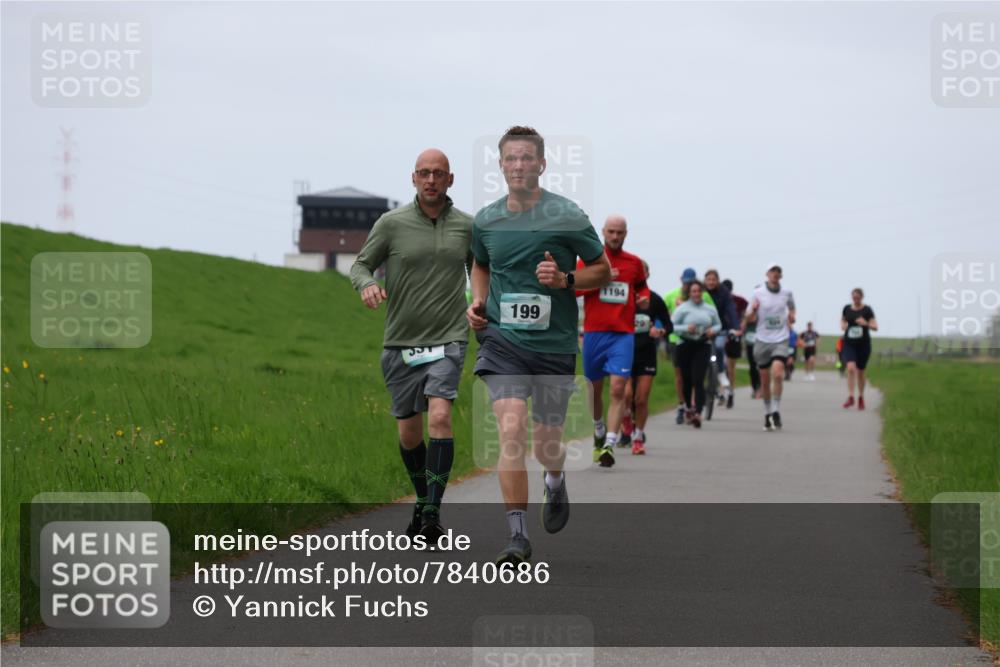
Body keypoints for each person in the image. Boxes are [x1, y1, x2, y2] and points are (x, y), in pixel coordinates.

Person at [467, 126, 611, 564]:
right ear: (500, 165)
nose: (518, 165)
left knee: (547, 442)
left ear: (542, 164)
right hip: (502, 342)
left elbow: (602, 271)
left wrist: (567, 279)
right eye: (510, 158)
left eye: (527, 158)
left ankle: (554, 479)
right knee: (510, 429)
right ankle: (517, 536)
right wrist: (476, 301)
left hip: (553, 345)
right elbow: (481, 265)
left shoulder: (567, 216)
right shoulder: (486, 220)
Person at [350, 149, 472, 545]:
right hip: (401, 341)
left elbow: (482, 270)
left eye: (438, 173)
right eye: (424, 173)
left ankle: (433, 512)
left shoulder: (468, 227)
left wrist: (482, 304)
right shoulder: (391, 223)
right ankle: (422, 500)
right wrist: (366, 284)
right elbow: (360, 264)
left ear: (450, 179)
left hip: (449, 338)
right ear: (413, 178)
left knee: (439, 417)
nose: (431, 180)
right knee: (409, 434)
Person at [578, 216, 650, 466]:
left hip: (622, 334)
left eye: (620, 232)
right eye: (611, 232)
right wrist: (600, 279)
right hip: (594, 333)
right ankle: (598, 428)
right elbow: (573, 288)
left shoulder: (634, 263)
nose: (615, 236)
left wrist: (644, 298)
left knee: (619, 388)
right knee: (594, 390)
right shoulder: (589, 261)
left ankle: (609, 443)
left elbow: (642, 287)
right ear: (603, 232)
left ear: (626, 233)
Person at [740, 263, 796, 431]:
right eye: (772, 271)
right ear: (767, 274)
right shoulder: (757, 293)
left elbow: (792, 307)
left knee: (778, 373)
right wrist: (753, 311)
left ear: (781, 275)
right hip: (762, 340)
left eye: (778, 271)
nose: (775, 274)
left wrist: (792, 316)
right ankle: (767, 413)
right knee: (764, 380)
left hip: (781, 338)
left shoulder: (787, 292)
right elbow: (748, 318)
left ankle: (776, 410)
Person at [623, 260, 671, 454]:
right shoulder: (623, 298)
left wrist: (659, 330)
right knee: (625, 395)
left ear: (647, 275)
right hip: (624, 352)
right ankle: (626, 417)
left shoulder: (655, 300)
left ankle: (638, 437)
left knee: (641, 399)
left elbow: (669, 326)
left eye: (643, 272)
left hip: (647, 354)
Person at [664, 269, 715, 424]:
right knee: (681, 376)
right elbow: (664, 316)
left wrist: (714, 330)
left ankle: (695, 407)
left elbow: (714, 315)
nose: (688, 284)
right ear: (681, 280)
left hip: (700, 340)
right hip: (676, 339)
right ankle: (683, 405)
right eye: (686, 281)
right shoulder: (671, 295)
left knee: (697, 377)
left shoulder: (704, 295)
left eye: (691, 281)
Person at [704, 269, 738, 408]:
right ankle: (711, 386)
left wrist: (735, 327)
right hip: (703, 329)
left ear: (717, 280)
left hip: (720, 328)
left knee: (718, 348)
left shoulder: (724, 293)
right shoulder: (700, 291)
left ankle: (721, 373)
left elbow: (731, 309)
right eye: (709, 279)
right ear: (705, 280)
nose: (711, 282)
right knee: (703, 357)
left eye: (714, 279)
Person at [841, 288, 878, 410]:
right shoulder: (847, 308)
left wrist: (865, 323)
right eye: (853, 297)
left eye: (858, 297)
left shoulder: (867, 310)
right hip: (849, 344)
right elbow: (843, 320)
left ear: (862, 297)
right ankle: (851, 396)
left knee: (861, 372)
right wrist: (843, 325)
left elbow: (875, 326)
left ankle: (861, 397)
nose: (855, 299)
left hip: (863, 345)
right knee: (851, 368)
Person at [724, 279, 754, 398]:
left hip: (734, 336)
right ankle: (722, 391)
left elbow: (747, 313)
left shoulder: (739, 301)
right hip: (720, 333)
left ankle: (731, 390)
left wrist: (742, 324)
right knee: (720, 366)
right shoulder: (717, 300)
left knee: (731, 367)